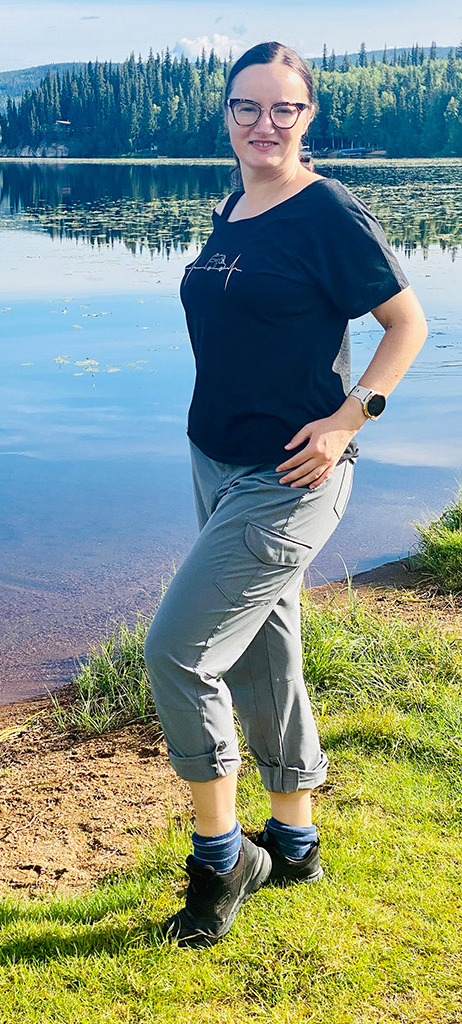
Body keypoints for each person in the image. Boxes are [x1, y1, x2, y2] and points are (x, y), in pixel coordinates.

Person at [143, 40, 428, 950]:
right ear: (224, 115)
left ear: (309, 118)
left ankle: (223, 856)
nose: (264, 124)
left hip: (291, 474)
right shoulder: (233, 202)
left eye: (284, 109)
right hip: (215, 459)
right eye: (247, 108)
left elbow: (406, 323)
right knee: (268, 647)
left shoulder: (327, 210)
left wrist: (352, 419)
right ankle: (296, 839)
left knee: (179, 655)